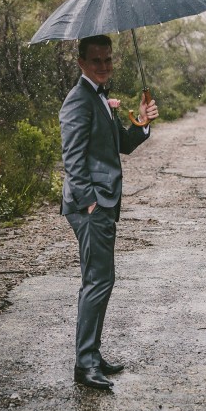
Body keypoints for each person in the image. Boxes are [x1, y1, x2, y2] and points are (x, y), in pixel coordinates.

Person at [59, 34, 159, 390]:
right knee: (98, 281)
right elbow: (71, 158)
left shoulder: (100, 99)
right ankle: (85, 365)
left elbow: (123, 145)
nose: (103, 66)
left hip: (100, 202)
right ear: (81, 62)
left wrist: (142, 122)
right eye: (96, 60)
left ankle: (92, 354)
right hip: (91, 205)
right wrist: (90, 201)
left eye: (107, 60)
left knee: (101, 280)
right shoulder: (78, 101)